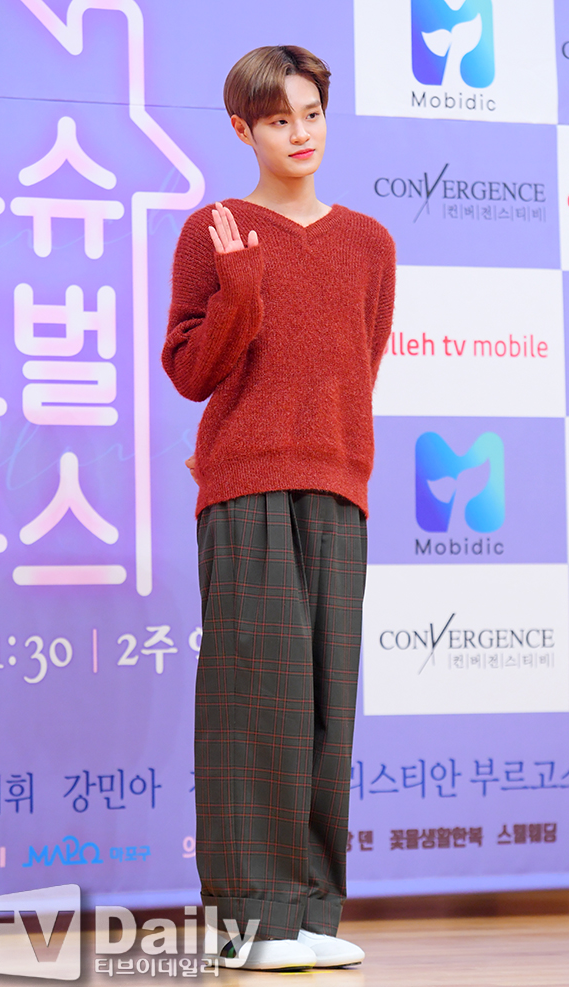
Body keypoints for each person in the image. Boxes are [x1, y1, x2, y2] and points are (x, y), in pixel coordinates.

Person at [162, 45, 396, 971]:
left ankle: (308, 914)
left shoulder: (370, 241)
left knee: (327, 706)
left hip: (340, 485)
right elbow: (191, 372)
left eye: (311, 114)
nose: (300, 134)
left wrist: (329, 446)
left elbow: (359, 362)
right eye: (277, 120)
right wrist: (242, 291)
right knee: (254, 701)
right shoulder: (214, 230)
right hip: (246, 486)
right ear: (243, 129)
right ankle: (249, 923)